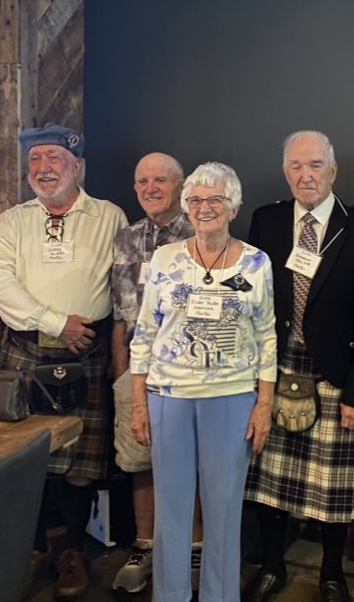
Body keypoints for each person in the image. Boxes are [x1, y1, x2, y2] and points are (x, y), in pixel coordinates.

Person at [243, 130, 354, 602]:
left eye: (316, 165)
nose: (306, 175)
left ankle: (331, 573)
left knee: (332, 487)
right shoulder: (266, 220)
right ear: (285, 171)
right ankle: (272, 565)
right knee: (269, 482)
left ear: (333, 170)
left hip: (335, 372)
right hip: (276, 368)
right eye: (296, 166)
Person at [0, 122, 127, 600]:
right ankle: (30, 550)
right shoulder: (12, 221)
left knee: (82, 462)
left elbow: (122, 284)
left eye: (54, 159)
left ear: (77, 166)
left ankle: (72, 552)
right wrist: (54, 322)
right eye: (35, 160)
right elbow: (1, 286)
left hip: (87, 349)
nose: (44, 169)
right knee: (25, 458)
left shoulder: (109, 216)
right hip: (26, 349)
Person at [129, 161, 276, 602]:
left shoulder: (256, 262)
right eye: (195, 200)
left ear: (234, 208)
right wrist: (139, 403)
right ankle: (169, 595)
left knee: (224, 509)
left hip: (232, 398)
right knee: (171, 510)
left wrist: (263, 405)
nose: (204, 208)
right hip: (168, 398)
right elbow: (145, 332)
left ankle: (220, 595)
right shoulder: (165, 258)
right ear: (186, 206)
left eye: (215, 200)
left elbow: (267, 336)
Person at [110, 152, 204, 593]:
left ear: (180, 186)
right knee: (138, 460)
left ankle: (196, 547)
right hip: (135, 370)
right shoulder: (125, 238)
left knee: (193, 461)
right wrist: (121, 373)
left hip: (186, 372)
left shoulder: (202, 233)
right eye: (142, 181)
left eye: (160, 180)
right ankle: (144, 546)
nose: (150, 188)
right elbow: (118, 313)